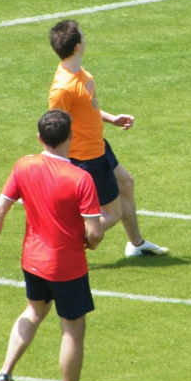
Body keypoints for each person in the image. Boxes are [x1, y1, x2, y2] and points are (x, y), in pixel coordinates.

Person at [0, 109, 104, 381]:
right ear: (71, 137)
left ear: (40, 138)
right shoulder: (81, 178)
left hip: (33, 261)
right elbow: (95, 232)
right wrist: (91, 241)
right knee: (72, 330)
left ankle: (5, 371)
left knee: (34, 311)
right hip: (67, 267)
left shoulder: (23, 165)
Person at [48, 19, 169, 258]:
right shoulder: (62, 88)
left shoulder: (81, 73)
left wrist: (112, 119)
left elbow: (87, 110)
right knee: (111, 214)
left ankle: (136, 244)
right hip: (87, 157)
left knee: (126, 183)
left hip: (99, 147)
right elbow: (56, 127)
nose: (86, 38)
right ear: (77, 46)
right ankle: (61, 248)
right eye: (83, 35)